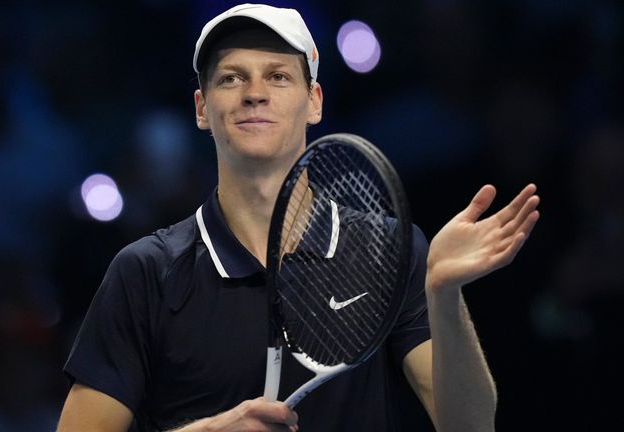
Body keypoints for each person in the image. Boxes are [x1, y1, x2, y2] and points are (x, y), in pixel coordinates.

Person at [56, 4, 540, 431]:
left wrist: (445, 293)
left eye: (278, 76)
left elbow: (472, 426)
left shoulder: (388, 253)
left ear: (315, 102)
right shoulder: (146, 272)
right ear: (202, 109)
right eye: (231, 77)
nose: (254, 93)